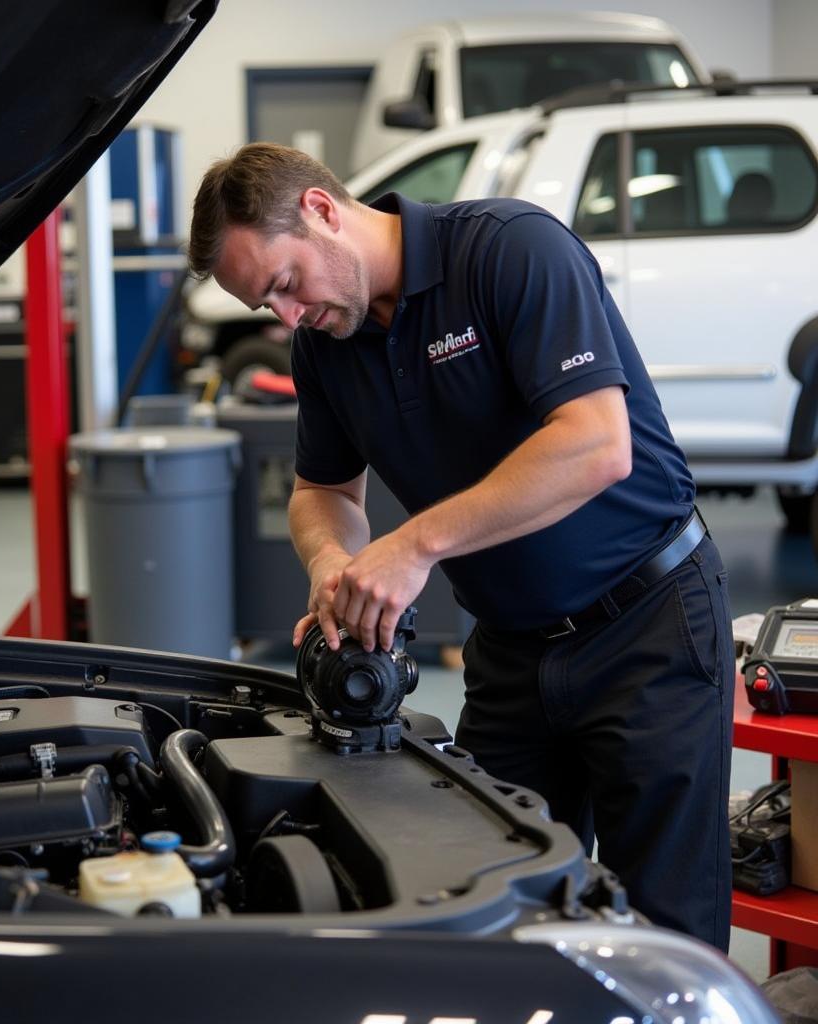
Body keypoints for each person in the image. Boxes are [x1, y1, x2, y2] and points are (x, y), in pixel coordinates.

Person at [188, 142, 735, 949]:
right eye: (267, 307)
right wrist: (332, 560)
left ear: (321, 210)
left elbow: (596, 444)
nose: (289, 318)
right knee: (490, 909)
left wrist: (412, 547)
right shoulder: (324, 349)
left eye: (285, 285)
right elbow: (323, 492)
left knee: (664, 932)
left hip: (646, 629)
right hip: (511, 654)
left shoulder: (509, 250)